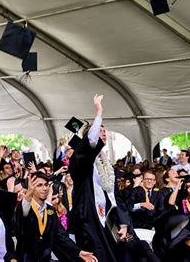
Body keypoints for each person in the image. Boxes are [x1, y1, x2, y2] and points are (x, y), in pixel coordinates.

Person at [68, 94, 128, 262]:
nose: (103, 133)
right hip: (88, 217)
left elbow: (115, 196)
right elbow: (91, 141)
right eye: (99, 130)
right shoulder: (81, 160)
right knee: (96, 255)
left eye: (104, 131)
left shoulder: (106, 164)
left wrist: (123, 223)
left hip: (107, 220)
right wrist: (99, 111)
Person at [13, 172, 96, 261]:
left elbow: (61, 236)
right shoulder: (24, 208)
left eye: (46, 185)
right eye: (39, 185)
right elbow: (23, 214)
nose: (44, 188)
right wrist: (28, 194)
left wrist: (78, 252)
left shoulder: (51, 211)